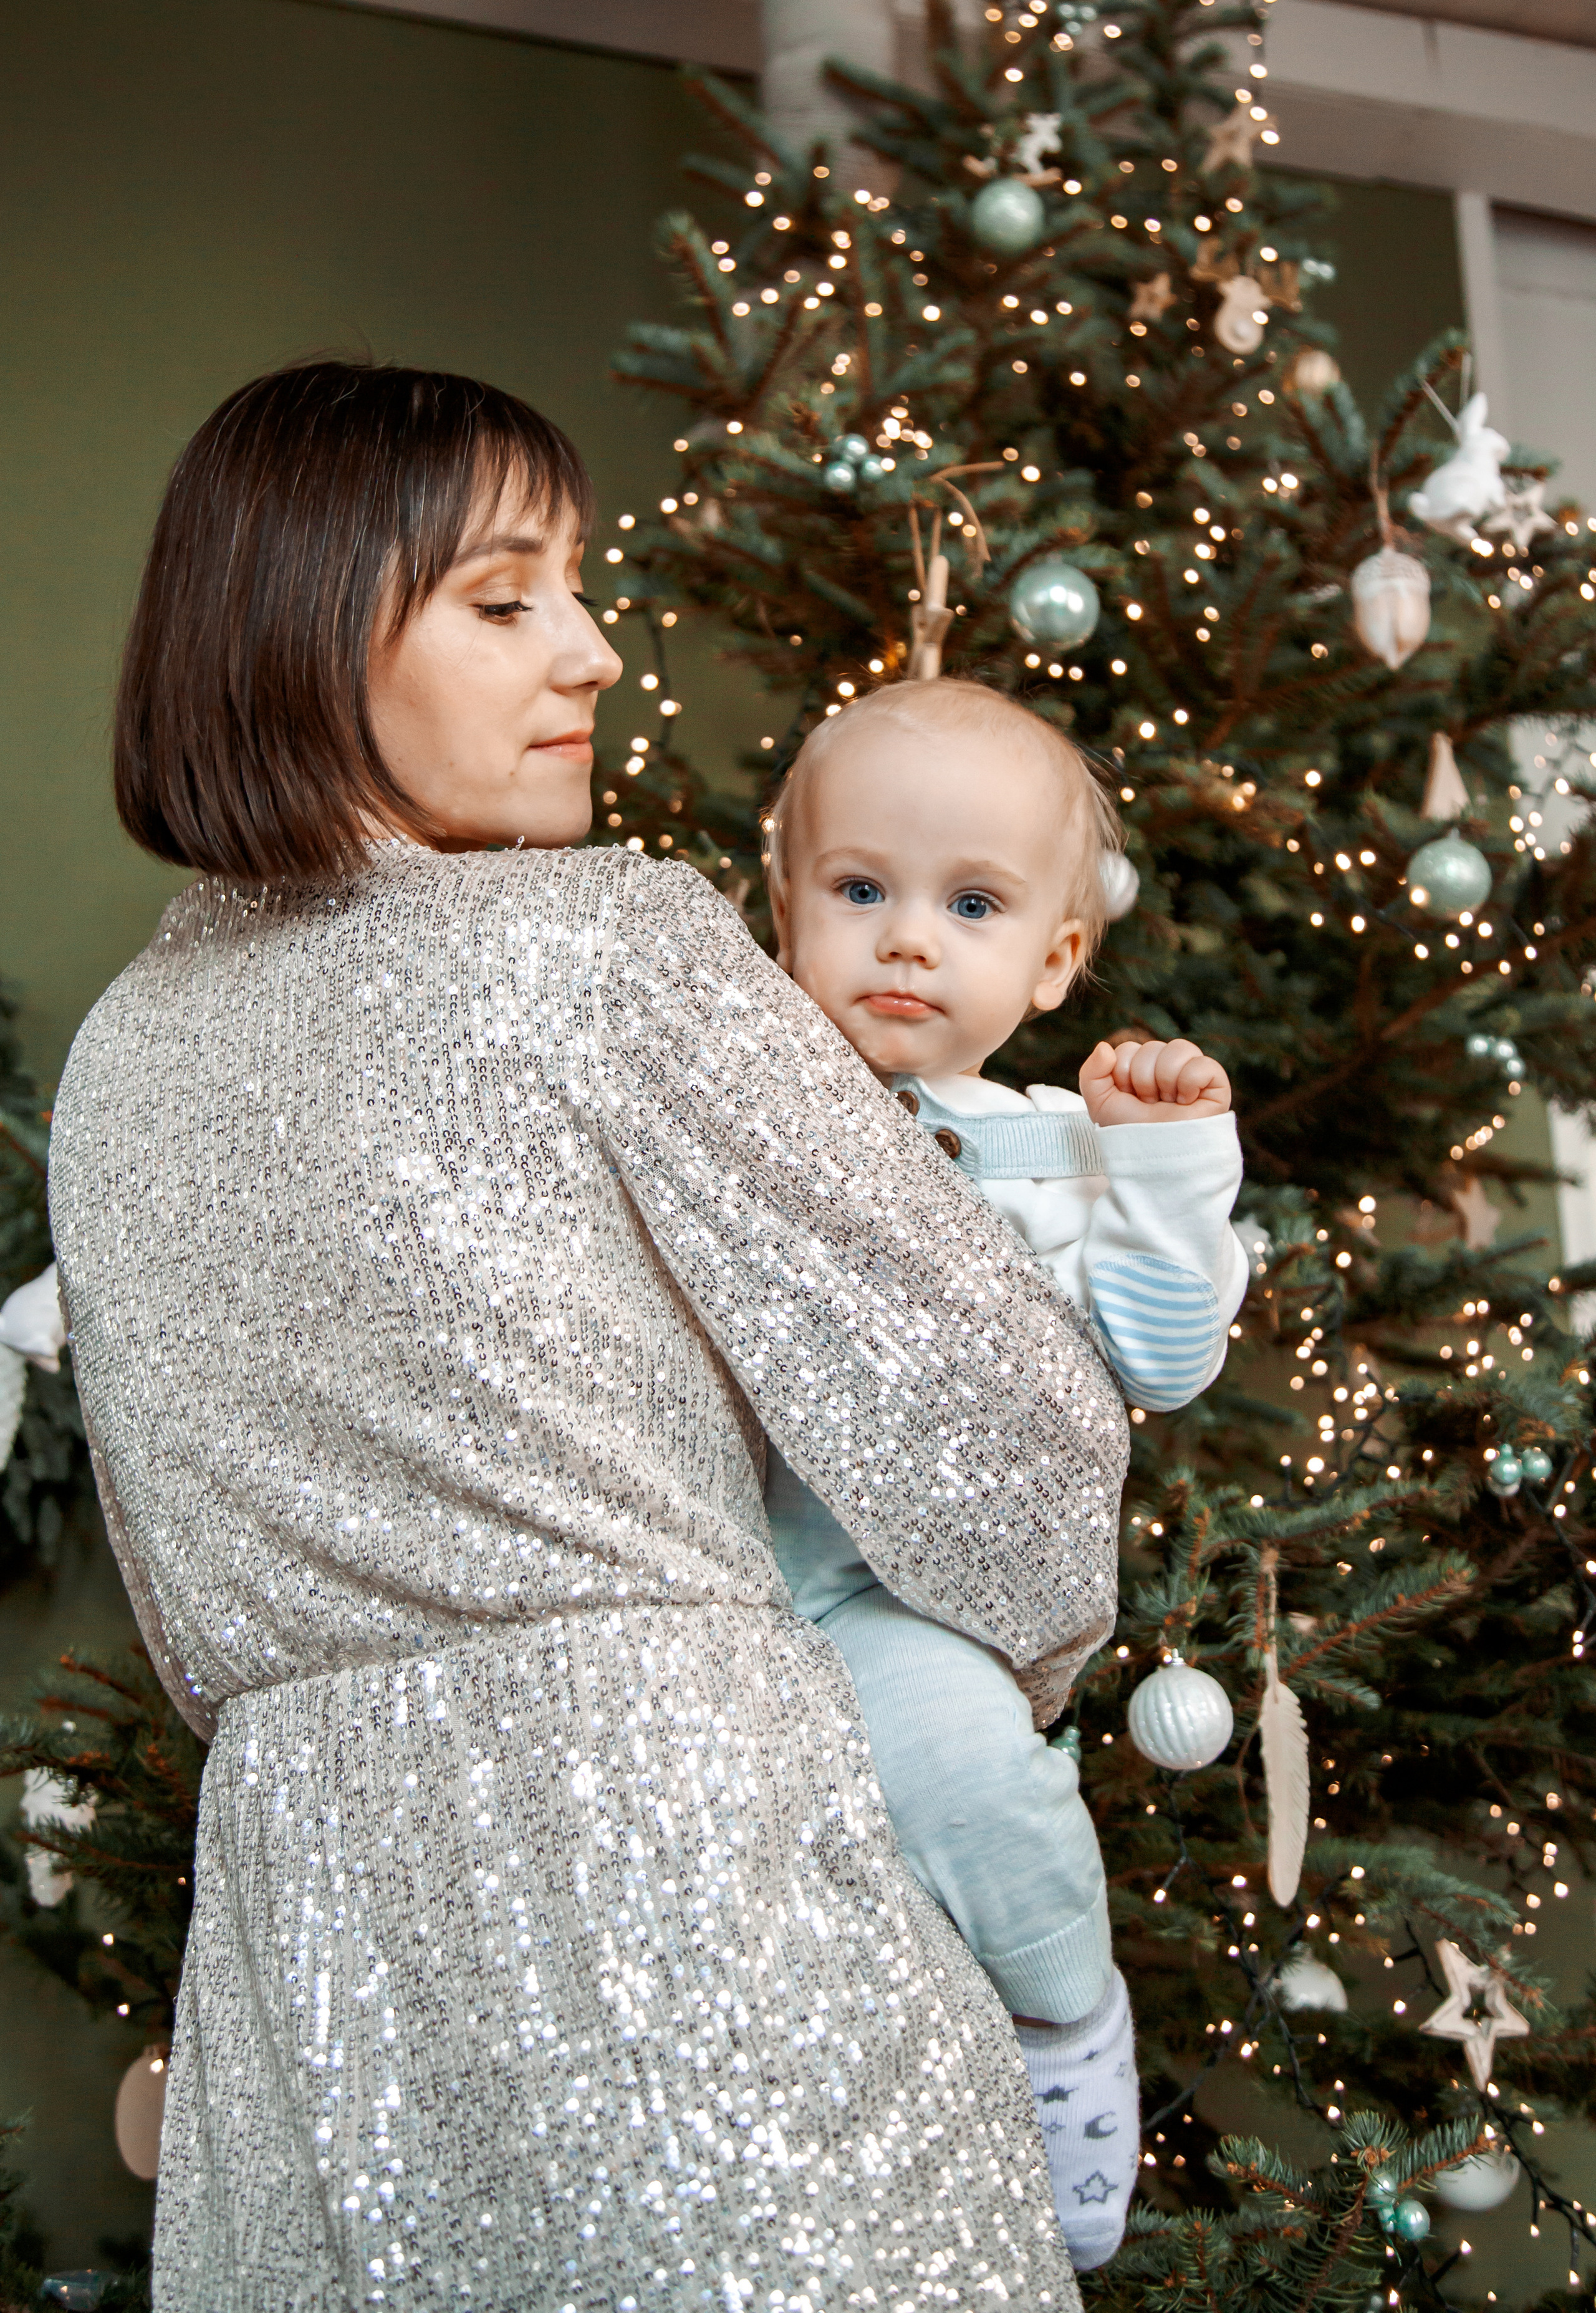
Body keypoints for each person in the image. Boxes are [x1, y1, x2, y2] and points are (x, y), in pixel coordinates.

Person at [47, 363, 1129, 2311]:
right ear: (306, 625)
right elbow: (1000, 1440)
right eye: (506, 598)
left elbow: (191, 1619)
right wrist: (990, 1695)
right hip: (711, 1938)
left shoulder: (117, 1063)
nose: (597, 653)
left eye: (578, 587)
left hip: (317, 1996)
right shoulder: (600, 946)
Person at [762, 680, 1247, 2266]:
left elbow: (1159, 1362)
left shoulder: (1054, 1156)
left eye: (970, 905)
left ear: (1051, 960)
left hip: (898, 1601)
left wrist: (1159, 1169)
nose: (907, 939)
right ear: (783, 905)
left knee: (976, 1785)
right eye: (859, 889)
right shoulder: (727, 1108)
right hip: (696, 1567)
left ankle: (1061, 2025)